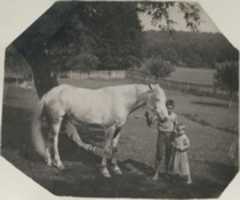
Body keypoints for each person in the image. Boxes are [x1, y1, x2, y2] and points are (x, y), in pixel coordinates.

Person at [145, 99, 178, 180]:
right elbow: (150, 124)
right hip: (161, 135)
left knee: (168, 154)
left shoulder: (174, 116)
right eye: (167, 108)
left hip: (170, 136)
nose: (169, 110)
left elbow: (176, 126)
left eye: (171, 108)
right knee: (159, 154)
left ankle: (166, 172)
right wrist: (147, 117)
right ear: (165, 107)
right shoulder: (160, 115)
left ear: (173, 108)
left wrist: (175, 135)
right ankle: (156, 173)